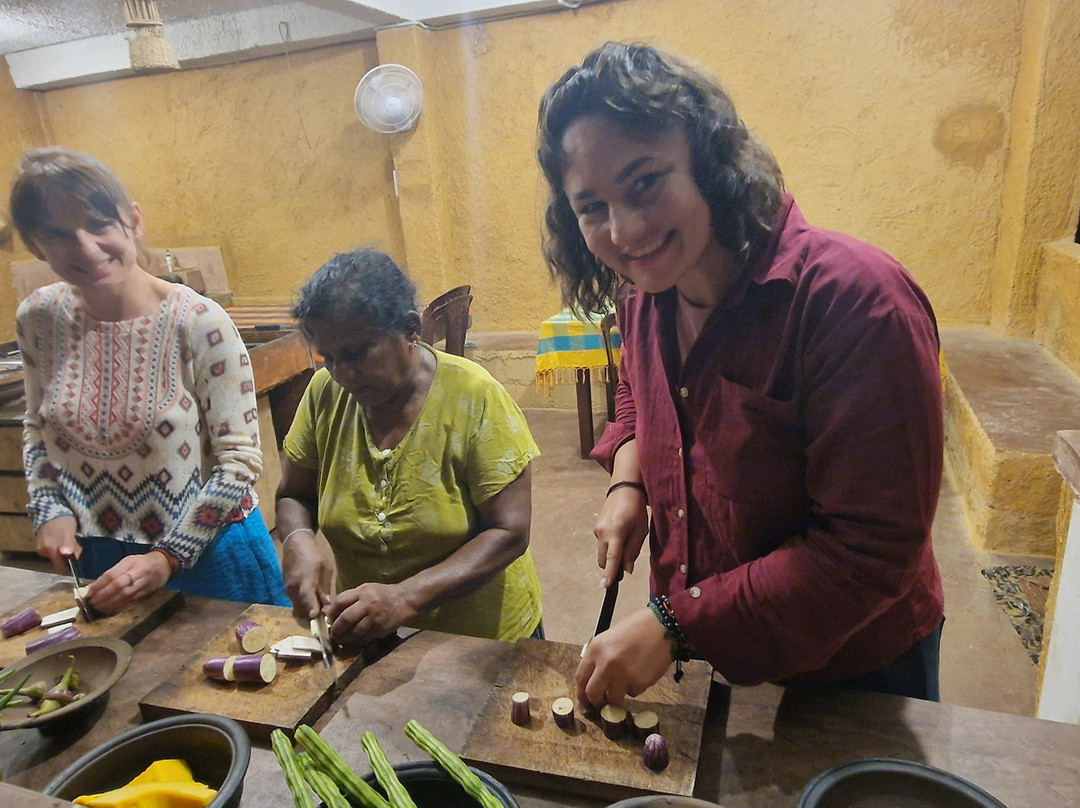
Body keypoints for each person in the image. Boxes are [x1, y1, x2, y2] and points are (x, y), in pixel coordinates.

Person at [537, 43, 945, 706]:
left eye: (645, 182)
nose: (627, 229)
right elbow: (639, 394)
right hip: (703, 639)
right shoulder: (643, 294)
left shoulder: (855, 301)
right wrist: (626, 483)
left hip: (851, 660)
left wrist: (674, 623)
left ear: (709, 160)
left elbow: (870, 553)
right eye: (592, 208)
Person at [9, 146, 288, 612]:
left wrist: (168, 556)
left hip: (211, 554)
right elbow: (38, 428)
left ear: (133, 221)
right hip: (99, 555)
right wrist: (49, 508)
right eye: (58, 235)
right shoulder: (39, 319)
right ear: (37, 245)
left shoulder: (198, 322)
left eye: (99, 225)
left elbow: (239, 460)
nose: (85, 248)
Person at [276, 248, 543, 646]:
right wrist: (298, 541)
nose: (342, 374)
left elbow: (509, 531)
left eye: (356, 353)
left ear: (410, 329)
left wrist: (406, 597)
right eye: (328, 358)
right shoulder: (325, 395)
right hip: (368, 632)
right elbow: (294, 495)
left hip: (481, 642)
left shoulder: (475, 396)